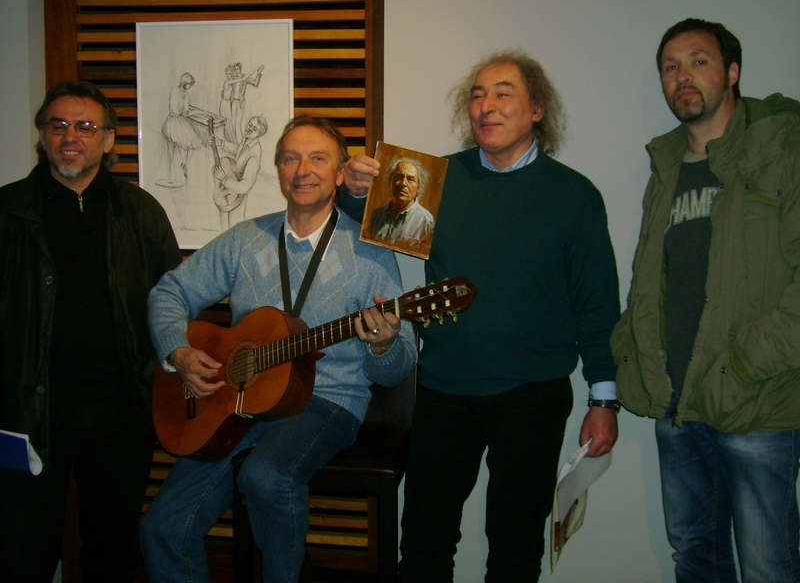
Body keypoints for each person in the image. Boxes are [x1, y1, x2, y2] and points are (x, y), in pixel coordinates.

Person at [343, 49, 620, 582]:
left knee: (515, 551)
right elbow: (371, 218)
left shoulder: (574, 195)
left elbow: (598, 305)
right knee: (424, 541)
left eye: (502, 93)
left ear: (537, 109)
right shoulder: (438, 180)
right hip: (445, 392)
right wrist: (355, 189)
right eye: (476, 95)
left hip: (533, 396)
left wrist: (603, 399)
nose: (485, 106)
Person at [139, 116, 418, 583]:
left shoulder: (371, 253)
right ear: (278, 169)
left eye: (317, 158)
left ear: (339, 173)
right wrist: (178, 352)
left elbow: (397, 368)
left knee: (265, 477)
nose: (302, 169)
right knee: (161, 528)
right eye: (290, 158)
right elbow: (168, 293)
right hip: (235, 402)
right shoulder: (246, 239)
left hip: (327, 400)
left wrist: (385, 343)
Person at [611, 18, 800, 582]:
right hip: (677, 403)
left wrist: (744, 363)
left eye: (698, 61)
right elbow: (650, 281)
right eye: (670, 67)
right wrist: (633, 354)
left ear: (733, 72)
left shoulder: (782, 149)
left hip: (757, 403)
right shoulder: (667, 166)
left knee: (769, 569)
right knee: (695, 559)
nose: (681, 76)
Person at [0, 81, 181, 582]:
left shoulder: (140, 211)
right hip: (30, 412)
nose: (70, 136)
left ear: (108, 140)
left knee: (113, 547)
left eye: (85, 126)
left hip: (121, 410)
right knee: (23, 550)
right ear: (42, 136)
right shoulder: (9, 211)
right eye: (57, 125)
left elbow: (174, 298)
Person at [209, 115, 268, 230]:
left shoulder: (254, 156)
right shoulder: (247, 142)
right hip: (229, 191)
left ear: (259, 134)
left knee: (234, 230)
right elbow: (238, 152)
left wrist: (224, 179)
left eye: (254, 129)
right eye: (250, 125)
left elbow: (245, 186)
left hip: (236, 199)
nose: (249, 129)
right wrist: (220, 142)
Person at [368, 156, 435, 245]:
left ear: (418, 187)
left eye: (410, 179)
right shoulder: (377, 215)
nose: (403, 183)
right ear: (390, 182)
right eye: (399, 177)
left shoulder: (425, 221)